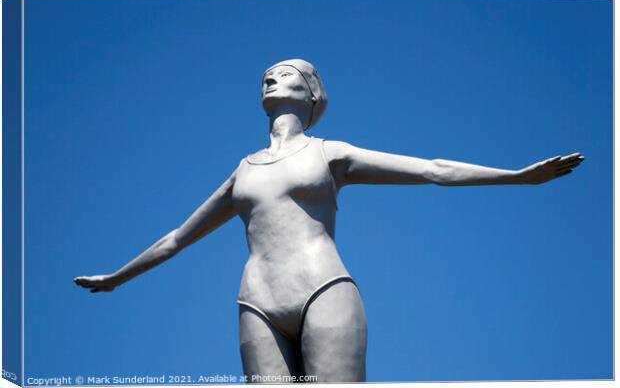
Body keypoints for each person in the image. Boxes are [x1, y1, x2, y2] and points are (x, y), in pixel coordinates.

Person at [74, 59, 584, 382]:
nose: (271, 77)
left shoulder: (330, 154)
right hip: (257, 303)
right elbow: (176, 239)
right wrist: (118, 278)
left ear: (312, 93)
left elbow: (432, 170)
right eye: (266, 76)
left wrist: (519, 177)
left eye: (287, 73)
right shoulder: (243, 171)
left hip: (324, 289)